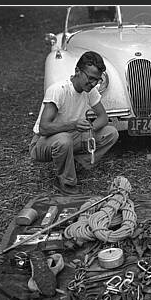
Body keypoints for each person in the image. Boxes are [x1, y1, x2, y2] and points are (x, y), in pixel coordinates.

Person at [29, 51, 119, 195]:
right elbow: (44, 128)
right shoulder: (58, 90)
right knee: (64, 140)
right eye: (90, 78)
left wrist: (89, 129)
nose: (93, 83)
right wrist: (74, 125)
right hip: (42, 143)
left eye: (97, 80)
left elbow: (103, 117)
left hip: (71, 136)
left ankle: (76, 164)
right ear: (77, 71)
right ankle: (66, 183)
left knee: (111, 133)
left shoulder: (90, 91)